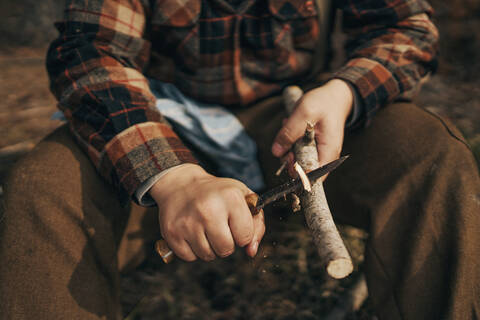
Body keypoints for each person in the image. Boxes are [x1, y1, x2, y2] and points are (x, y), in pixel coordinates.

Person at [1, 0, 479, 319]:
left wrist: (343, 92)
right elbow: (89, 51)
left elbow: (406, 28)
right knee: (43, 187)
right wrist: (172, 178)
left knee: (431, 157)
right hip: (158, 119)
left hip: (298, 118)